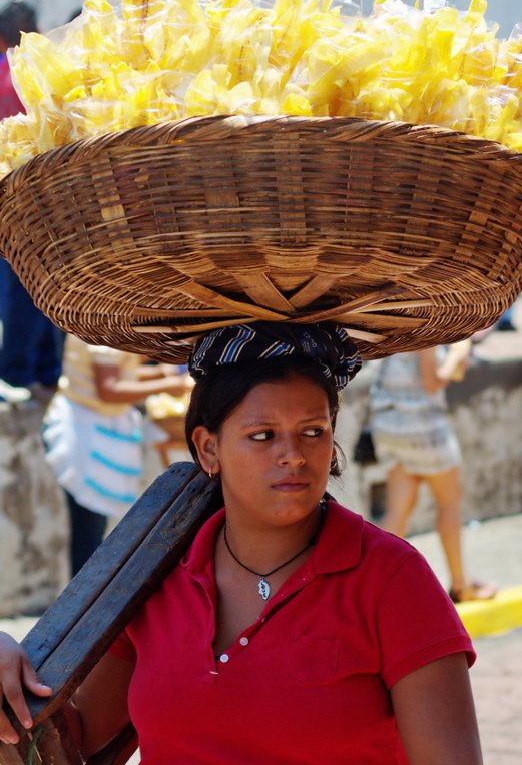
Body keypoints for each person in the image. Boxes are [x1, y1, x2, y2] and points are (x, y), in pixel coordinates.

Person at [0, 322, 483, 764]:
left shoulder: (392, 578)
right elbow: (75, 737)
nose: (293, 455)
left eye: (313, 431)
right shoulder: (154, 573)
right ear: (209, 447)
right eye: (263, 435)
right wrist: (8, 670)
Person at [43, 333, 192, 576]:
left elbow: (121, 374)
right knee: (88, 531)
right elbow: (110, 389)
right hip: (84, 431)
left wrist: (159, 375)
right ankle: (83, 603)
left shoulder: (102, 328)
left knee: (93, 528)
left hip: (96, 428)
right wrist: (168, 385)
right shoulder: (97, 332)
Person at [369, 343, 496, 603]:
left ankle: (374, 587)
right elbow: (432, 382)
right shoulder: (426, 333)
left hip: (390, 427)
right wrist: (457, 355)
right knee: (449, 502)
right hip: (422, 427)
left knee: (399, 509)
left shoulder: (399, 326)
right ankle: (461, 585)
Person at [0, 0, 63, 402]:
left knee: (17, 286)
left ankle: (17, 374)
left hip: (10, 196)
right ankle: (47, 370)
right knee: (50, 282)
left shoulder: (5, 74)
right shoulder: (46, 70)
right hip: (54, 197)